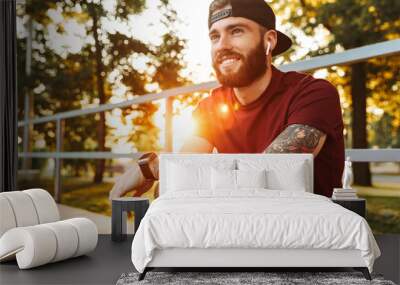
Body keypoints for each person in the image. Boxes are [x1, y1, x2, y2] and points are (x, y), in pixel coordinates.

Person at [109, 0, 345, 200]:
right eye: (215, 36)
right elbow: (186, 163)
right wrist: (154, 171)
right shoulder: (211, 106)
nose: (222, 45)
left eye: (237, 31)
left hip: (307, 237)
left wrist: (156, 167)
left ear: (269, 41)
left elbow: (267, 175)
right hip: (233, 233)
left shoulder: (313, 94)